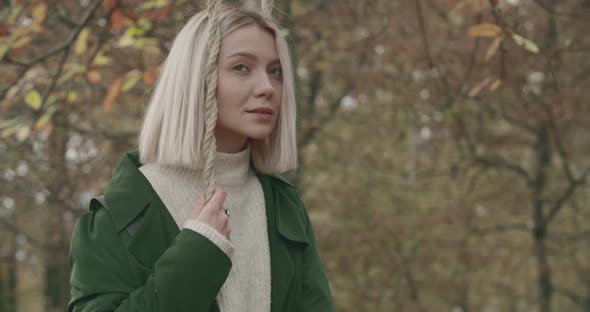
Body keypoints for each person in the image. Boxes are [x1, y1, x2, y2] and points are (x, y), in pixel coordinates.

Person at [67, 2, 335, 312]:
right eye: (242, 67)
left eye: (275, 71)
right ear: (196, 78)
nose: (268, 87)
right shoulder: (116, 217)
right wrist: (195, 255)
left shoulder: (284, 207)